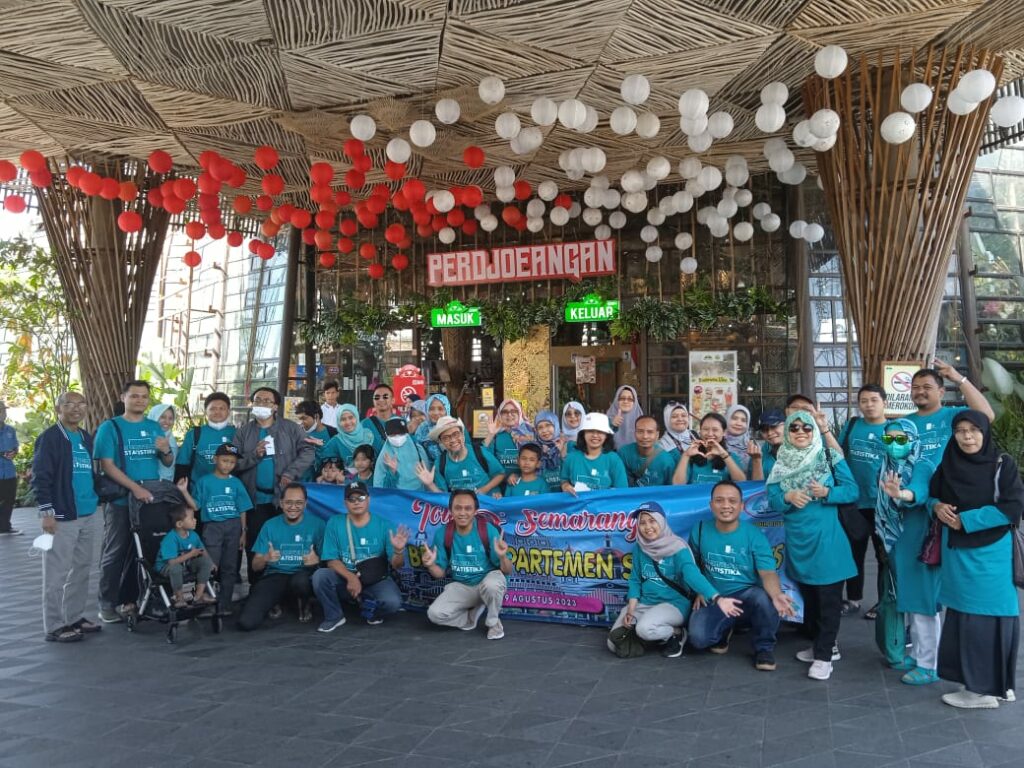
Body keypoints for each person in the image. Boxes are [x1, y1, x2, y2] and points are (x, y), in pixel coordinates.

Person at [930, 410, 1023, 708]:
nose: (967, 436)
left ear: (984, 432)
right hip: (958, 555)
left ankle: (983, 691)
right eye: (960, 430)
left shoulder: (1002, 464)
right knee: (964, 616)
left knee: (990, 616)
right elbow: (933, 494)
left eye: (974, 430)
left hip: (991, 554)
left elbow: (1012, 508)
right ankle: (995, 685)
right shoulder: (948, 463)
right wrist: (937, 506)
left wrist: (965, 520)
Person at [767, 411, 859, 681]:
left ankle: (824, 656)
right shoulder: (782, 461)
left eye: (807, 428)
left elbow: (853, 491)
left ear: (814, 431)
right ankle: (820, 645)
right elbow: (772, 497)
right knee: (811, 598)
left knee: (829, 599)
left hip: (828, 540)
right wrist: (787, 495)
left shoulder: (830, 457)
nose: (801, 432)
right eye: (794, 428)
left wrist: (828, 492)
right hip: (799, 541)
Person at [686, 481, 796, 671]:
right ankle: (725, 627)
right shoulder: (700, 529)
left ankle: (764, 648)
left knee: (765, 598)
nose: (726, 506)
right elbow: (692, 565)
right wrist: (700, 590)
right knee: (698, 639)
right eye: (719, 500)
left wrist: (777, 594)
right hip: (714, 595)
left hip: (746, 594)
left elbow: (768, 573)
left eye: (732, 501)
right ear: (711, 505)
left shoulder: (754, 535)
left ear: (741, 506)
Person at [94, 379, 174, 623]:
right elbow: (106, 465)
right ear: (123, 398)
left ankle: (140, 600)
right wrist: (134, 488)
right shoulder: (110, 427)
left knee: (146, 551)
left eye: (144, 396)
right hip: (121, 501)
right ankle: (107, 604)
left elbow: (167, 462)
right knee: (115, 551)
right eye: (134, 396)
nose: (140, 400)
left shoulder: (154, 426)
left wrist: (166, 450)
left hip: (149, 501)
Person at [608, 501, 727, 658]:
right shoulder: (640, 548)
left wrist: (714, 596)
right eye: (642, 523)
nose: (647, 527)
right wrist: (631, 609)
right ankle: (653, 634)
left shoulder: (677, 547)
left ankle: (676, 633)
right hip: (645, 603)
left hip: (674, 604)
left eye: (652, 521)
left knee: (644, 629)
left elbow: (692, 574)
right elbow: (635, 580)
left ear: (662, 521)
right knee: (613, 643)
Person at [873, 419, 939, 683]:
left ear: (913, 440)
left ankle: (930, 665)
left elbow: (919, 490)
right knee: (910, 601)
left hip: (917, 542)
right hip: (895, 542)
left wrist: (902, 494)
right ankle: (920, 653)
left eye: (901, 439)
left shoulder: (922, 464)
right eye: (888, 439)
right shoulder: (885, 466)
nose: (894, 444)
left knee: (923, 604)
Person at [32, 392, 101, 642]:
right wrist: (47, 513)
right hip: (62, 515)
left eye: (81, 403)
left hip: (88, 512)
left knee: (82, 569)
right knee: (56, 573)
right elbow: (40, 476)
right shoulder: (50, 438)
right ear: (58, 408)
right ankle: (54, 625)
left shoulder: (85, 437)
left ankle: (74, 617)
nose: (76, 408)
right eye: (69, 404)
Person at [233, 387, 314, 585]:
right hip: (255, 500)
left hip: (283, 499)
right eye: (257, 400)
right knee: (257, 545)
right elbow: (233, 463)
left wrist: (290, 473)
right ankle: (257, 588)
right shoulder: (243, 432)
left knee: (286, 542)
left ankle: (286, 589)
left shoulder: (291, 428)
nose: (261, 403)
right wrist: (254, 455)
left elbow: (308, 452)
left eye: (267, 401)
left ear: (276, 406)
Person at [312, 481, 410, 632]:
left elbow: (397, 565)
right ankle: (334, 616)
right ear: (345, 503)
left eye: (361, 498)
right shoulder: (335, 522)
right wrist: (351, 578)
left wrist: (398, 551)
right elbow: (331, 560)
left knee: (393, 602)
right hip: (345, 579)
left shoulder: (384, 525)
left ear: (368, 499)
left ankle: (372, 610)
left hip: (375, 579)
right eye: (351, 499)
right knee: (320, 576)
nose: (356, 502)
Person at [422, 490, 513, 640]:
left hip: (488, 582)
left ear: (475, 511)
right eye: (458, 508)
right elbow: (439, 574)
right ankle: (469, 618)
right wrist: (430, 565)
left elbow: (507, 570)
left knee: (492, 585)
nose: (462, 513)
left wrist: (503, 556)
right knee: (434, 614)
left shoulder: (487, 530)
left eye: (468, 508)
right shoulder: (443, 533)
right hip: (463, 586)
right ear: (450, 510)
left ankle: (493, 623)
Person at [833, 384, 889, 618]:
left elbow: (902, 462)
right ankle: (854, 599)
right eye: (864, 401)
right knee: (852, 553)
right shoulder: (852, 425)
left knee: (883, 556)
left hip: (881, 504)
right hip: (853, 501)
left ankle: (884, 602)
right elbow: (837, 453)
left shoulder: (894, 429)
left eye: (874, 400)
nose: (868, 405)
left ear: (884, 402)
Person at [237, 483, 325, 630]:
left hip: (302, 576)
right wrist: (265, 558)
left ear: (305, 504)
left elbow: (329, 561)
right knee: (246, 622)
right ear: (281, 503)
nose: (293, 507)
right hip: (275, 575)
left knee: (301, 582)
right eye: (289, 502)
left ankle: (304, 603)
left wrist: (317, 560)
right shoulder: (269, 525)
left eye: (298, 503)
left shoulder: (318, 525)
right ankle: (278, 600)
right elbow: (255, 566)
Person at [178, 444, 252, 615]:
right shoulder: (204, 482)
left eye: (232, 462)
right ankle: (202, 600)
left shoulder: (236, 482)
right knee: (210, 565)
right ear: (215, 459)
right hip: (212, 527)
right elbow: (196, 505)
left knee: (230, 566)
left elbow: (242, 508)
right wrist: (183, 491)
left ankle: (225, 604)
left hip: (233, 526)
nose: (228, 465)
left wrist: (243, 531)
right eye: (225, 460)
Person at [906, 361, 994, 465]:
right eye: (915, 387)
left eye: (927, 387)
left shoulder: (957, 416)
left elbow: (987, 416)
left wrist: (960, 379)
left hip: (951, 475)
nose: (920, 391)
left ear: (941, 392)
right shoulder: (903, 423)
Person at [417, 416, 506, 497]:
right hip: (461, 508)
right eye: (446, 438)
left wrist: (485, 489)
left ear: (463, 435)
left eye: (456, 434)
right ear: (441, 442)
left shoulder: (479, 452)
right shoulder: (440, 463)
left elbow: (500, 474)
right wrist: (430, 484)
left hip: (486, 505)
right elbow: (443, 496)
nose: (452, 440)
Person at [154, 506, 215, 608]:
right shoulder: (170, 538)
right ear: (179, 524)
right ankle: (179, 598)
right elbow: (172, 562)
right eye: (191, 518)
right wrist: (191, 554)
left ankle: (199, 596)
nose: (195, 520)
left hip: (185, 564)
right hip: (166, 567)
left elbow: (202, 549)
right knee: (176, 568)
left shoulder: (193, 535)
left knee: (205, 562)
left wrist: (211, 563)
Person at [174, 392, 236, 487]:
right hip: (198, 489)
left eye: (222, 408)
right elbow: (182, 463)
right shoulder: (194, 434)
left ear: (228, 411)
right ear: (205, 411)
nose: (217, 412)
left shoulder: (237, 434)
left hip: (229, 489)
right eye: (213, 409)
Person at [559, 413, 628, 494]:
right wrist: (565, 486)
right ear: (583, 434)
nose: (595, 435)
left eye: (600, 431)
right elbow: (564, 480)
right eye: (590, 431)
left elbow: (622, 491)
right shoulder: (571, 458)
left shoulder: (614, 460)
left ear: (606, 435)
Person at [672, 413, 748, 485]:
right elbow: (677, 484)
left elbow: (741, 482)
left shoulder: (732, 457)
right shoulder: (690, 456)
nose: (710, 434)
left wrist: (724, 455)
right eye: (705, 429)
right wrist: (686, 456)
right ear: (700, 431)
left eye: (715, 430)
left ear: (724, 432)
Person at [617, 415, 678, 487]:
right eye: (640, 431)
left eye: (650, 432)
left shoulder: (666, 460)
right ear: (634, 433)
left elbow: (671, 488)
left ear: (657, 435)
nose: (645, 436)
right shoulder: (623, 453)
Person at [376, 417, 432, 491]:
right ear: (386, 435)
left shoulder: (418, 449)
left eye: (401, 434)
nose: (397, 437)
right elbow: (379, 486)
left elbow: (428, 475)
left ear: (407, 433)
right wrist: (392, 472)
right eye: (393, 435)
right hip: (397, 496)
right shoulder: (384, 456)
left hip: (419, 495)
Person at [483, 399, 535, 473]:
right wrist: (491, 434)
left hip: (526, 479)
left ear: (519, 413)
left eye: (514, 411)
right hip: (502, 479)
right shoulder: (496, 436)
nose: (509, 414)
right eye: (504, 412)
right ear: (500, 415)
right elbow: (483, 457)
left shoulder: (530, 434)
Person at [321, 403, 376, 472]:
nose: (347, 422)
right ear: (338, 422)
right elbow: (326, 465)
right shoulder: (335, 442)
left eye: (351, 417)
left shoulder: (369, 435)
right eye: (343, 419)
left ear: (357, 418)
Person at [294, 400, 337, 481]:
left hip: (324, 484)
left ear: (316, 416)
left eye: (304, 418)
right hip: (301, 483)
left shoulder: (333, 433)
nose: (301, 423)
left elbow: (337, 461)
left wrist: (320, 447)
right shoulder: (297, 434)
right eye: (299, 419)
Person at [414, 394, 454, 464]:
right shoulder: (422, 429)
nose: (436, 413)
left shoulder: (455, 427)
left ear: (447, 410)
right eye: (431, 409)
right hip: (427, 469)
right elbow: (416, 455)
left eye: (440, 409)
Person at [530, 410, 563, 490]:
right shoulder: (533, 448)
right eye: (540, 427)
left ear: (556, 425)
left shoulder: (566, 445)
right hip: (541, 493)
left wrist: (562, 453)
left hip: (564, 494)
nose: (544, 430)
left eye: (548, 425)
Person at [0, 400, 20, 535]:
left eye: (4, 410)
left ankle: (5, 526)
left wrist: (14, 452)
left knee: (9, 499)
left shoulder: (10, 430)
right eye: (1, 411)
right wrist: (2, 454)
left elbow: (15, 446)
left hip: (9, 471)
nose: (3, 413)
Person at [748, 410, 784, 480]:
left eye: (774, 426)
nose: (769, 433)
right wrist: (756, 460)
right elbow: (755, 485)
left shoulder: (800, 449)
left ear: (786, 425)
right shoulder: (757, 454)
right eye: (764, 430)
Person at [148, 404, 178, 482]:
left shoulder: (169, 437)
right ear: (154, 416)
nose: (167, 421)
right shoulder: (146, 435)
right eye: (163, 417)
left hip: (164, 483)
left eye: (170, 418)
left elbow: (169, 465)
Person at [362, 384, 396, 452]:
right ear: (373, 401)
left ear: (393, 400)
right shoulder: (365, 424)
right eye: (377, 397)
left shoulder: (401, 422)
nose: (381, 400)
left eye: (385, 397)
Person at [607, 385, 642, 450]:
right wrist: (611, 425)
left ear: (635, 402)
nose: (626, 401)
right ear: (616, 400)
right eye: (622, 398)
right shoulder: (606, 420)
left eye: (630, 399)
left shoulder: (641, 420)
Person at [724, 404, 752, 473]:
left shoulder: (753, 446)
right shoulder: (718, 444)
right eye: (734, 418)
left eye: (743, 420)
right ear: (727, 419)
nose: (739, 423)